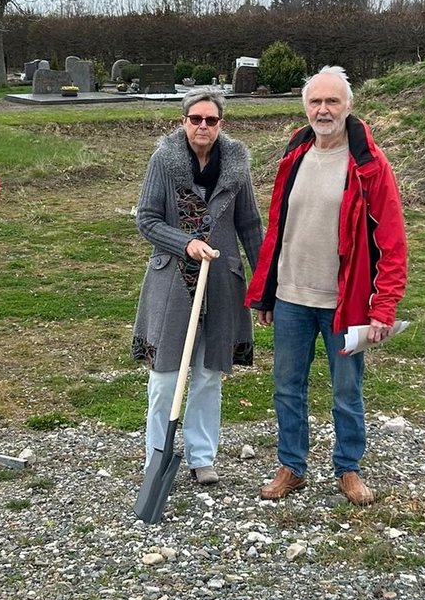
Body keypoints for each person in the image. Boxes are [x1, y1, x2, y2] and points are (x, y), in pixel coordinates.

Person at [246, 66, 407, 506]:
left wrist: (383, 307)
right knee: (286, 387)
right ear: (305, 107)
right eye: (315, 101)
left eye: (332, 101)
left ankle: (348, 468)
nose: (323, 110)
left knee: (346, 391)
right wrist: (267, 291)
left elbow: (392, 242)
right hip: (291, 298)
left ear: (348, 106)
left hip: (345, 303)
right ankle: (292, 467)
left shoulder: (369, 165)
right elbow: (280, 228)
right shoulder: (295, 154)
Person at [132, 90, 264, 485]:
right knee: (165, 377)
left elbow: (250, 225)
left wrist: (263, 282)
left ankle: (201, 456)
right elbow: (147, 219)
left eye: (211, 120)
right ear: (183, 121)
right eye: (195, 119)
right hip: (174, 280)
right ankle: (157, 459)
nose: (202, 126)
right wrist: (185, 243)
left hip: (221, 281)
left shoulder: (236, 163)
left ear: (221, 123)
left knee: (208, 374)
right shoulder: (164, 160)